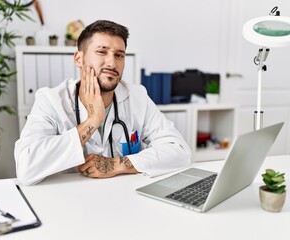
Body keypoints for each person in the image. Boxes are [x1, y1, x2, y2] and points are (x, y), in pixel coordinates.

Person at [14, 20, 191, 185]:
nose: (112, 63)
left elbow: (179, 151)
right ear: (79, 59)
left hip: (124, 200)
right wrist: (93, 120)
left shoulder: (137, 97)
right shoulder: (51, 100)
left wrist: (117, 165)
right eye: (101, 51)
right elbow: (26, 167)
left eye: (119, 55)